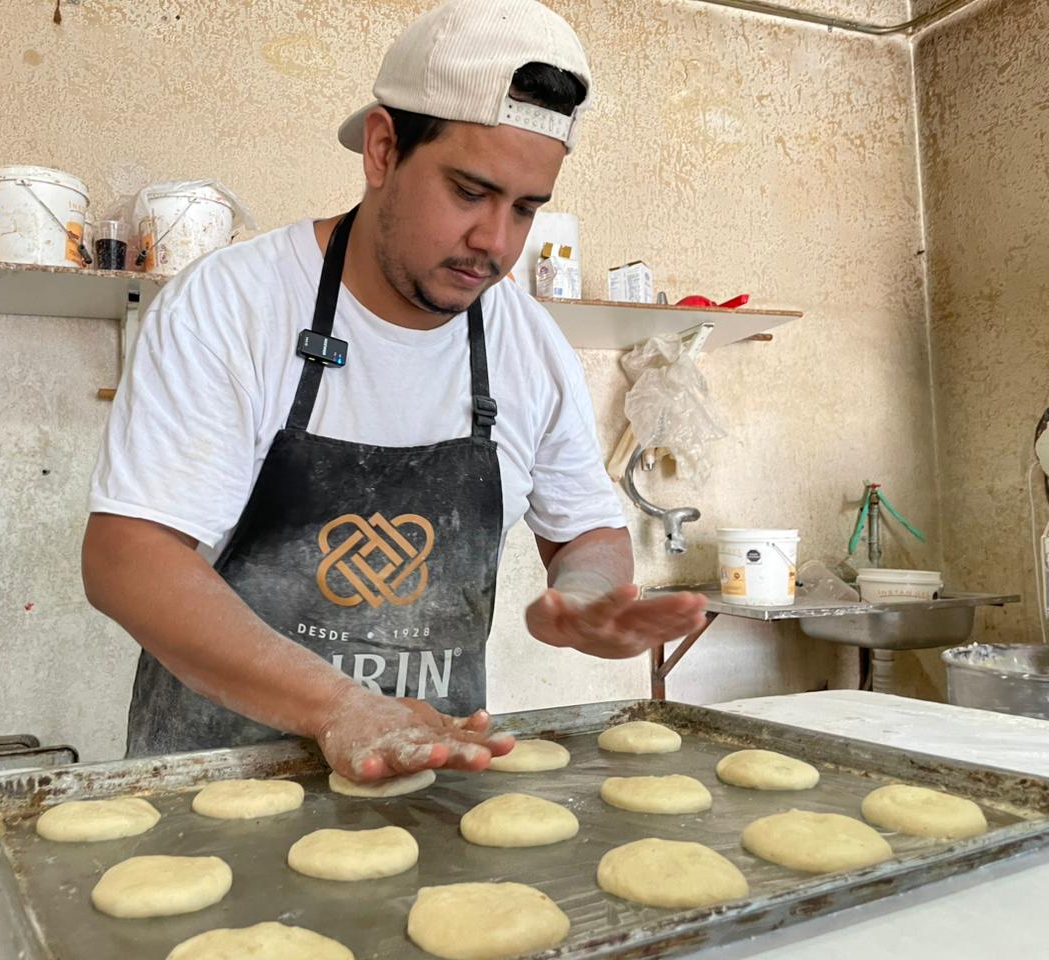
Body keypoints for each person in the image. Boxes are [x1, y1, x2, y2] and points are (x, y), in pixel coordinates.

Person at [82, 0, 707, 783]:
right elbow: (127, 559)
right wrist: (338, 705)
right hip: (218, 783)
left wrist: (586, 596)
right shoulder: (234, 304)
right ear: (382, 149)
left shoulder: (528, 343)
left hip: (427, 779)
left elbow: (586, 532)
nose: (496, 243)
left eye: (525, 209)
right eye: (469, 192)